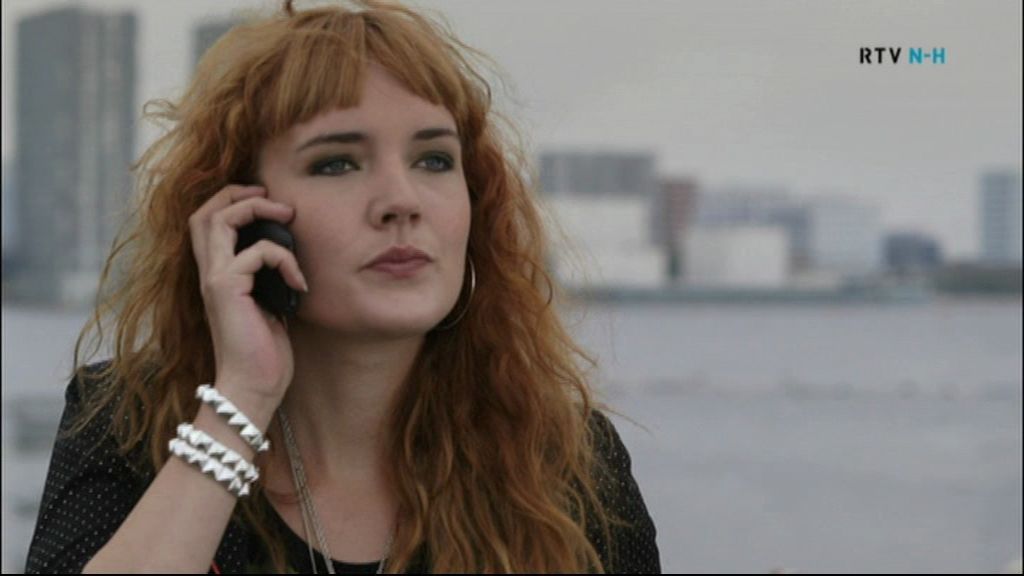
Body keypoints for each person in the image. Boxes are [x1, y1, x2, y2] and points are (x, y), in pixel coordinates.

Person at [24, 0, 660, 573]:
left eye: (434, 159)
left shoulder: (565, 463)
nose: (401, 200)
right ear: (243, 216)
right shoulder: (127, 424)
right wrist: (242, 397)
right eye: (337, 163)